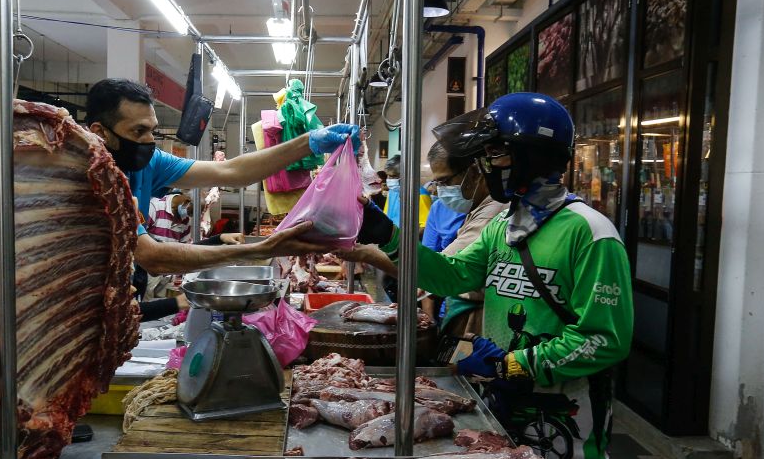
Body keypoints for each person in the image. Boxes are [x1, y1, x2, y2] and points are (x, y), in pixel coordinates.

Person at [343, 93, 633, 459]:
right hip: (503, 399)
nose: (485, 166)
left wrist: (516, 363)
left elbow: (603, 339)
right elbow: (453, 275)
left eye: (495, 154)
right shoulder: (504, 225)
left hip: (564, 411)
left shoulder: (590, 233)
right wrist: (388, 234)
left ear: (532, 156)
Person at [84, 78, 359, 212]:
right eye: (138, 130)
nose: (148, 140)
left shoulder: (151, 163)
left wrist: (308, 143)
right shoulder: (78, 177)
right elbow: (150, 254)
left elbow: (231, 171)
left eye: (151, 130)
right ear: (100, 132)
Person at [419, 140, 506, 331]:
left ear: (474, 172)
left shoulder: (495, 211)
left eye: (445, 181)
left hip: (480, 317)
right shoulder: (473, 208)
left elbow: (441, 270)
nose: (440, 189)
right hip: (454, 306)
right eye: (437, 183)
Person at [382, 154, 431, 234]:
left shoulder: (420, 195)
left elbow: (425, 226)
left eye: (393, 176)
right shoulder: (392, 192)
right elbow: (387, 216)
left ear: (406, 175)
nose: (389, 180)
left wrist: (404, 240)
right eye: (388, 176)